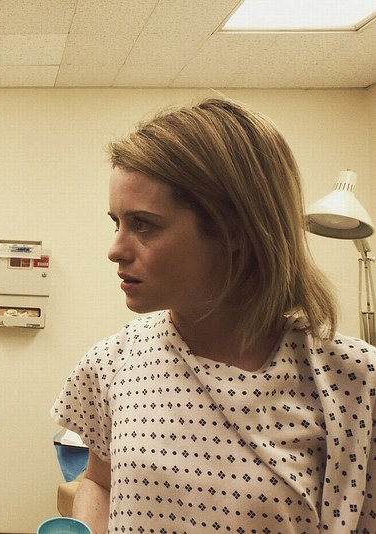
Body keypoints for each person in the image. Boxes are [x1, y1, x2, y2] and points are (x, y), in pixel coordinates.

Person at [52, 98, 376, 534]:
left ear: (234, 229)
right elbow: (99, 482)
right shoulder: (112, 364)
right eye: (117, 222)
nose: (116, 249)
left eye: (143, 224)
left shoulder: (351, 382)